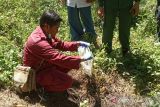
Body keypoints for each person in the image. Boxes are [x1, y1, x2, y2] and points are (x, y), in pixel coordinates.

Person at [23, 10, 92, 93]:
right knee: (67, 81)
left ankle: (52, 79)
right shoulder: (38, 42)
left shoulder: (45, 33)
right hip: (37, 73)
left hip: (45, 65)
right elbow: (58, 58)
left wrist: (77, 44)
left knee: (68, 63)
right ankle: (40, 88)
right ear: (47, 26)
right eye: (56, 27)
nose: (58, 30)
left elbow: (61, 44)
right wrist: (80, 59)